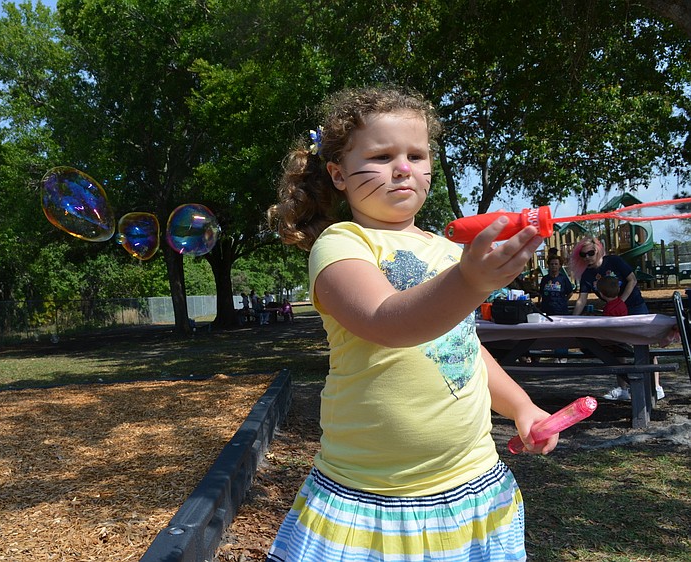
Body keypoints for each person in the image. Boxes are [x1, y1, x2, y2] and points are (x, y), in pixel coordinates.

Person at [266, 86, 554, 561]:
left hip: (472, 482)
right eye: (381, 155)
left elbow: (464, 347)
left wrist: (522, 407)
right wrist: (470, 280)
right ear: (337, 174)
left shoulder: (447, 252)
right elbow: (387, 322)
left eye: (416, 154)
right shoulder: (342, 245)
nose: (403, 167)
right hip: (372, 495)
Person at [569, 235, 664, 400]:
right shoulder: (587, 275)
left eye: (590, 253)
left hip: (634, 306)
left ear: (598, 249)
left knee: (644, 345)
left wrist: (621, 302)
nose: (587, 258)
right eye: (583, 255)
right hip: (614, 312)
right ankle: (623, 388)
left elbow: (632, 280)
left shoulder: (614, 261)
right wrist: (571, 320)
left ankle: (655, 386)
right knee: (616, 346)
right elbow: (581, 299)